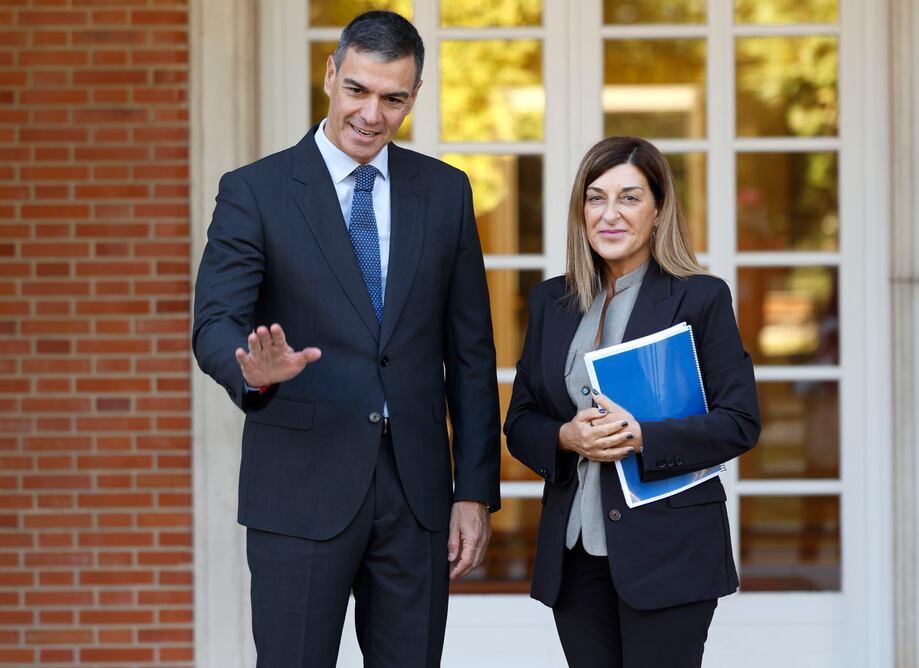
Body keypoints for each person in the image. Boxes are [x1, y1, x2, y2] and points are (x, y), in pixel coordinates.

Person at [192, 11, 500, 667]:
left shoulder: (445, 193)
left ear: (413, 97)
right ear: (330, 75)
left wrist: (472, 491)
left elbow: (471, 355)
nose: (372, 114)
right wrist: (252, 368)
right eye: (357, 90)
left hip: (417, 498)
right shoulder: (256, 192)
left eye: (394, 98)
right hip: (300, 489)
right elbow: (214, 322)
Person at [503, 136, 760, 667]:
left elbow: (739, 423)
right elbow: (521, 419)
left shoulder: (700, 297)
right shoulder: (552, 301)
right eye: (596, 198)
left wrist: (643, 437)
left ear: (659, 208)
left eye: (630, 197)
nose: (610, 214)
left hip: (670, 550)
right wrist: (565, 437)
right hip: (575, 553)